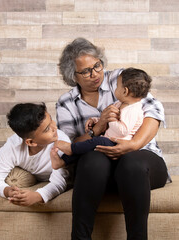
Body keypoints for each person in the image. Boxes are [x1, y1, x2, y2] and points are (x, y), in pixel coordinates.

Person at [55, 37, 170, 240]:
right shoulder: (66, 103)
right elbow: (73, 145)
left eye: (97, 66)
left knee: (131, 161)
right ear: (73, 76)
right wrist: (97, 128)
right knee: (92, 158)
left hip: (141, 167)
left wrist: (132, 144)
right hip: (98, 175)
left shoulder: (121, 79)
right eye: (86, 71)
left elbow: (154, 109)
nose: (95, 74)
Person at [51, 67, 152, 170]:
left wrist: (112, 120)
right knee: (87, 146)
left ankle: (71, 148)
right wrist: (97, 120)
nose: (115, 88)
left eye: (117, 86)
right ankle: (63, 161)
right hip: (110, 139)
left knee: (97, 141)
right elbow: (107, 119)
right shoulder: (120, 103)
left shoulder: (133, 109)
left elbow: (123, 131)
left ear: (125, 91)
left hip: (119, 144)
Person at [0, 102, 70, 206]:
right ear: (31, 142)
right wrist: (7, 191)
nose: (55, 128)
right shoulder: (12, 147)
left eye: (51, 120)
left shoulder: (62, 143)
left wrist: (37, 196)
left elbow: (59, 182)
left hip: (63, 176)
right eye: (47, 129)